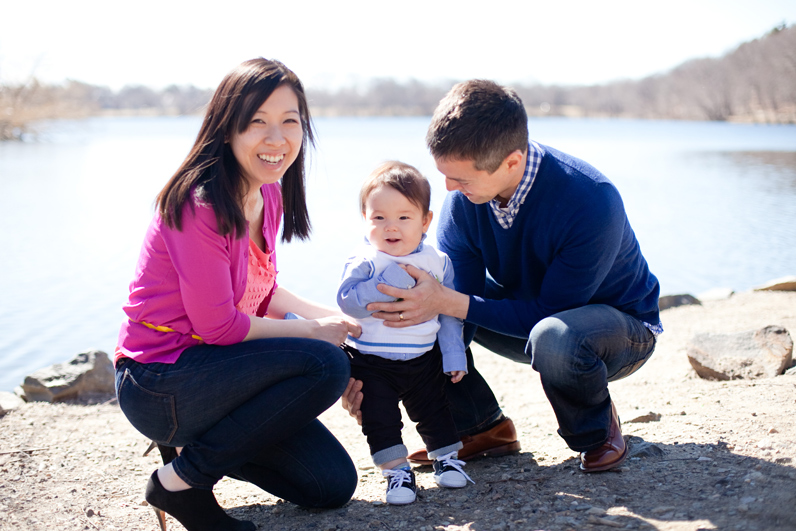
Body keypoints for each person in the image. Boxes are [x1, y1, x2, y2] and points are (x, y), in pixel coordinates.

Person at [342, 79, 661, 474]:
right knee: (424, 304)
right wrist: (379, 370)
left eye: (462, 178)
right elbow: (458, 295)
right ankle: (480, 427)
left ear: (512, 162)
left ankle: (594, 431)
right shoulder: (465, 201)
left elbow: (552, 311)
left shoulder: (592, 200)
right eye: (445, 174)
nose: (448, 189)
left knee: (554, 336)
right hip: (534, 315)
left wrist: (446, 301)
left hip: (617, 328)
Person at [115, 58, 360, 531]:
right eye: (257, 123)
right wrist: (315, 335)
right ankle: (180, 482)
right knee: (324, 363)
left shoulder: (267, 192)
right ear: (227, 130)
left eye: (290, 122)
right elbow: (218, 325)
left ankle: (197, 446)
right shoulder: (199, 205)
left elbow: (259, 293)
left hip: (217, 375)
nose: (277, 139)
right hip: (161, 382)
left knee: (329, 485)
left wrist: (335, 321)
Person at [337, 161, 473, 505]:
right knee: (380, 419)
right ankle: (397, 473)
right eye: (378, 217)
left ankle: (446, 459)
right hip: (371, 361)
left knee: (435, 410)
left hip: (424, 358)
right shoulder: (365, 260)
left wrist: (454, 354)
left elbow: (449, 313)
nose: (390, 227)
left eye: (403, 217)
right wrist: (383, 286)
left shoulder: (437, 261)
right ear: (365, 220)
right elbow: (346, 302)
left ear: (425, 221)